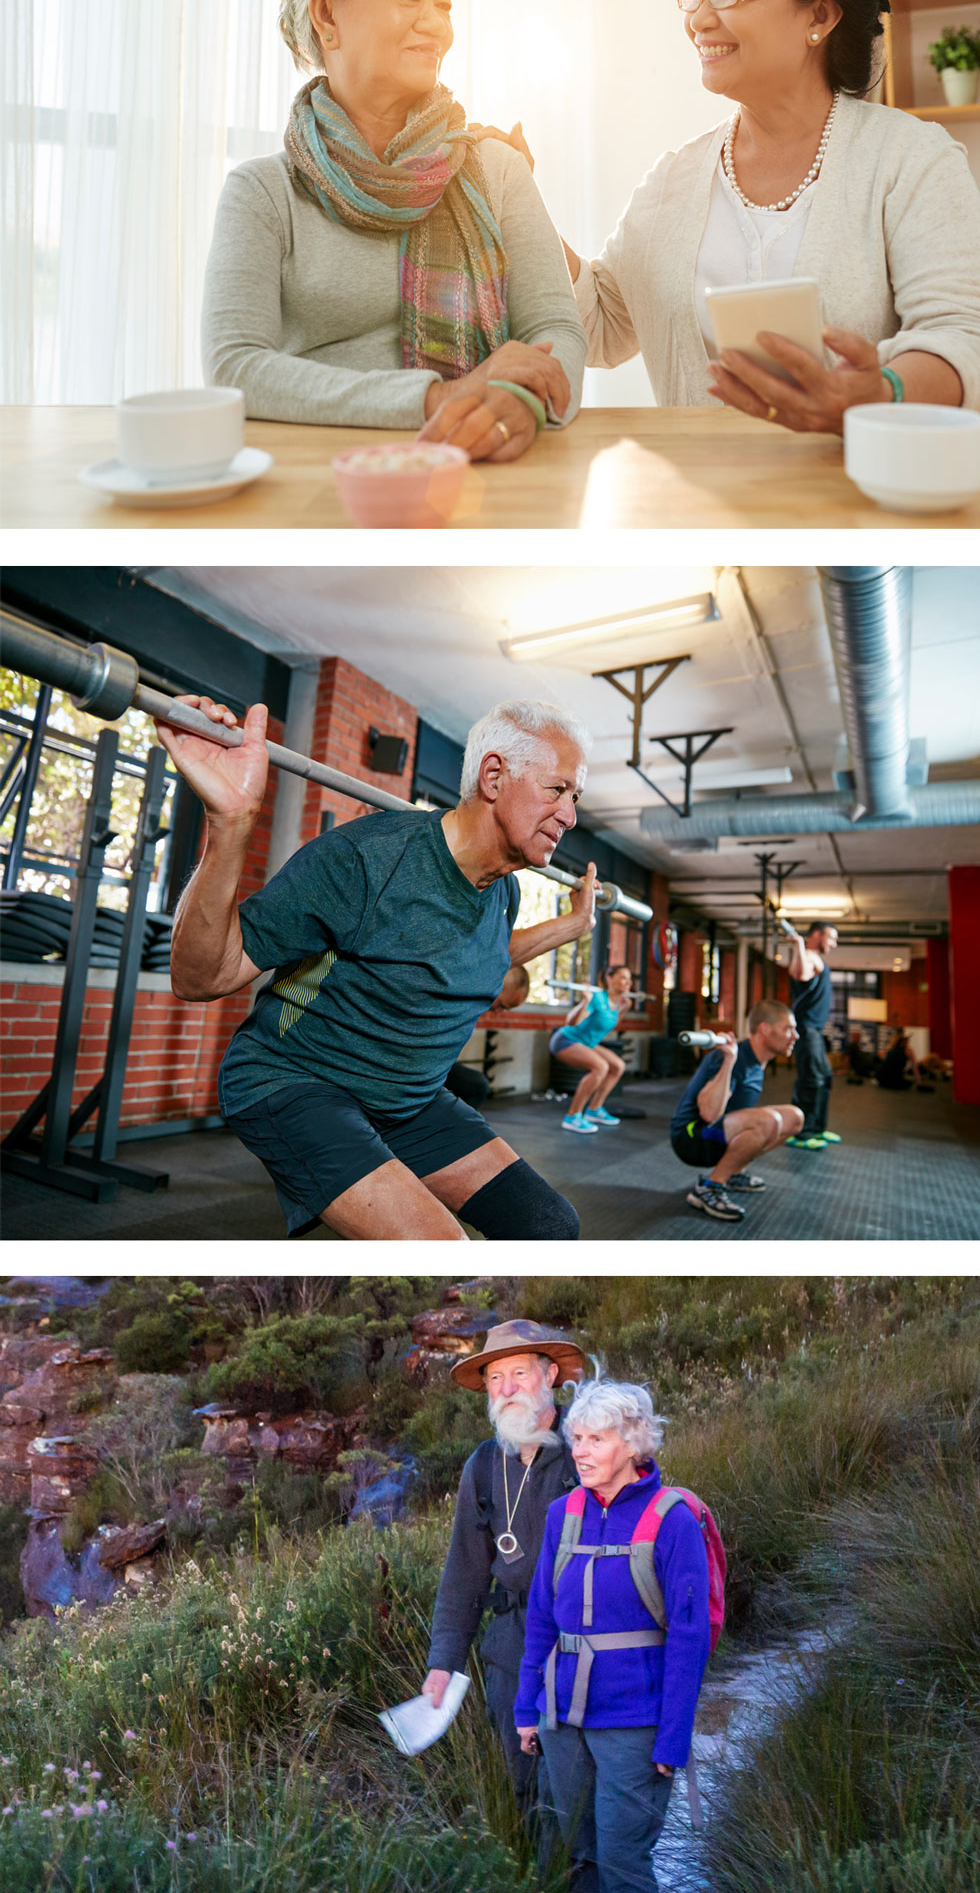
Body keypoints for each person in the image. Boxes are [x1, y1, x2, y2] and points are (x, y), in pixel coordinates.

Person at [479, 0, 980, 432]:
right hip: (698, 507)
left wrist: (883, 392)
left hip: (857, 504)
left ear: (819, 17)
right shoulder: (671, 181)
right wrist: (522, 202)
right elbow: (604, 327)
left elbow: (968, 336)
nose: (700, 18)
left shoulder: (910, 160)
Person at [162, 698, 598, 1241]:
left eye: (574, 797)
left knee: (550, 1227)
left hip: (408, 1100)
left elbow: (475, 956)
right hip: (298, 1081)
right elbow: (203, 977)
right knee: (443, 1250)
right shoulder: (365, 860)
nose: (571, 815)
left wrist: (574, 925)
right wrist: (230, 823)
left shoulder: (502, 891)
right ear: (493, 775)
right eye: (558, 789)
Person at [201, 0, 586, 462]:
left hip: (473, 465)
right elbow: (233, 366)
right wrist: (437, 398)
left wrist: (517, 400)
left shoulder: (498, 169)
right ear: (327, 15)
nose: (437, 24)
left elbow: (557, 330)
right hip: (307, 477)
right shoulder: (262, 192)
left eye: (444, 5)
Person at [514, 1374, 711, 1893]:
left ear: (633, 1442)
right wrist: (527, 1709)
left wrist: (674, 1737)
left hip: (635, 1722)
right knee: (580, 1859)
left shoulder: (673, 1519)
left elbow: (690, 1638)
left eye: (596, 1440)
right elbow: (540, 1618)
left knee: (624, 1864)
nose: (580, 1451)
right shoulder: (563, 1514)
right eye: (577, 1439)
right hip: (561, 1719)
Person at [422, 1319, 583, 1827]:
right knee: (526, 1797)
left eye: (519, 1372)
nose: (506, 1388)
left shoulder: (587, 1449)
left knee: (579, 1797)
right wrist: (443, 1661)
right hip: (510, 1656)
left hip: (583, 1647)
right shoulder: (485, 1465)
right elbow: (464, 1573)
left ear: (550, 1374)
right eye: (495, 1378)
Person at [669, 999, 803, 1221]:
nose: (795, 1036)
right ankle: (709, 1188)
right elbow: (709, 1114)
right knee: (769, 1121)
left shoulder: (758, 1059)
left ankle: (733, 1173)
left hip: (717, 1133)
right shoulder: (732, 1057)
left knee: (794, 1118)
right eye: (788, 1029)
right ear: (764, 1029)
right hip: (692, 1136)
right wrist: (729, 1061)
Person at [549, 964, 632, 1135]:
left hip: (586, 1043)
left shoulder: (617, 1003)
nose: (628, 982)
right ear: (609, 979)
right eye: (623, 977)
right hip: (566, 1040)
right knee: (600, 1067)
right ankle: (572, 1116)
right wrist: (585, 1001)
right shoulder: (597, 998)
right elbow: (570, 1021)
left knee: (618, 1066)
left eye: (629, 978)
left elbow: (610, 1024)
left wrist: (625, 1009)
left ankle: (594, 1110)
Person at [785, 921, 840, 1148]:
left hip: (814, 1030)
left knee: (824, 1077)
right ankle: (802, 1133)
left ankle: (818, 1129)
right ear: (816, 935)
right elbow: (801, 973)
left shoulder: (814, 957)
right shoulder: (808, 956)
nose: (834, 944)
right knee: (811, 1079)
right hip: (805, 1029)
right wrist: (798, 944)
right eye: (832, 938)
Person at [445, 963, 531, 1107]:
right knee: (476, 1086)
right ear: (495, 985)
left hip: (437, 1067)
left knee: (475, 1086)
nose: (497, 1013)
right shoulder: (456, 995)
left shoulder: (472, 1012)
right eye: (502, 1005)